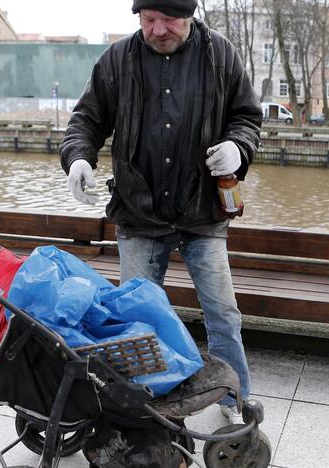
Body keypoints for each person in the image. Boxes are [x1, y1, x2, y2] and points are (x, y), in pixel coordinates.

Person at [59, 0, 262, 424]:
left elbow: (246, 116)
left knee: (223, 315)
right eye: (148, 19)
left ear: (189, 15)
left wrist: (237, 148)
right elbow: (87, 119)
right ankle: (144, 404)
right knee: (135, 319)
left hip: (202, 215)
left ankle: (233, 401)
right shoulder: (117, 59)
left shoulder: (220, 54)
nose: (157, 29)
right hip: (139, 216)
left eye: (168, 20)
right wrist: (78, 157)